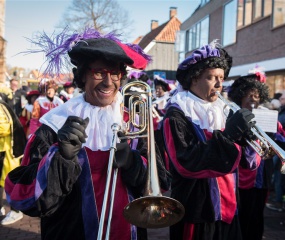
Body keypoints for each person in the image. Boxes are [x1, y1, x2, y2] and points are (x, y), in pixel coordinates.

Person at [4, 28, 169, 240]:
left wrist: (133, 163)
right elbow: (21, 196)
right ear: (82, 76)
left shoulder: (135, 124)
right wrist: (60, 158)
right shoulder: (54, 125)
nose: (108, 82)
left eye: (115, 73)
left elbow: (162, 184)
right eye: (99, 72)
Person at [160, 40, 257, 240]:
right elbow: (186, 163)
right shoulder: (177, 114)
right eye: (211, 78)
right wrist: (229, 137)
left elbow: (249, 164)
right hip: (197, 210)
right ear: (194, 79)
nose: (219, 85)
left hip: (229, 207)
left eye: (221, 77)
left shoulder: (224, 110)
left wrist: (247, 139)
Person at [226, 68, 285, 240]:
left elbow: (282, 140)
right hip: (239, 178)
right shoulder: (231, 116)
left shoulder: (268, 116)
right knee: (239, 219)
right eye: (249, 95)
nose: (254, 99)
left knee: (257, 217)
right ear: (239, 96)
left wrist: (274, 136)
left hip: (261, 178)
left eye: (257, 95)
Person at [0, 97, 26, 225]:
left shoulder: (1, 106)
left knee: (10, 181)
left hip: (9, 151)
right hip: (3, 149)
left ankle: (16, 210)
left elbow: (4, 127)